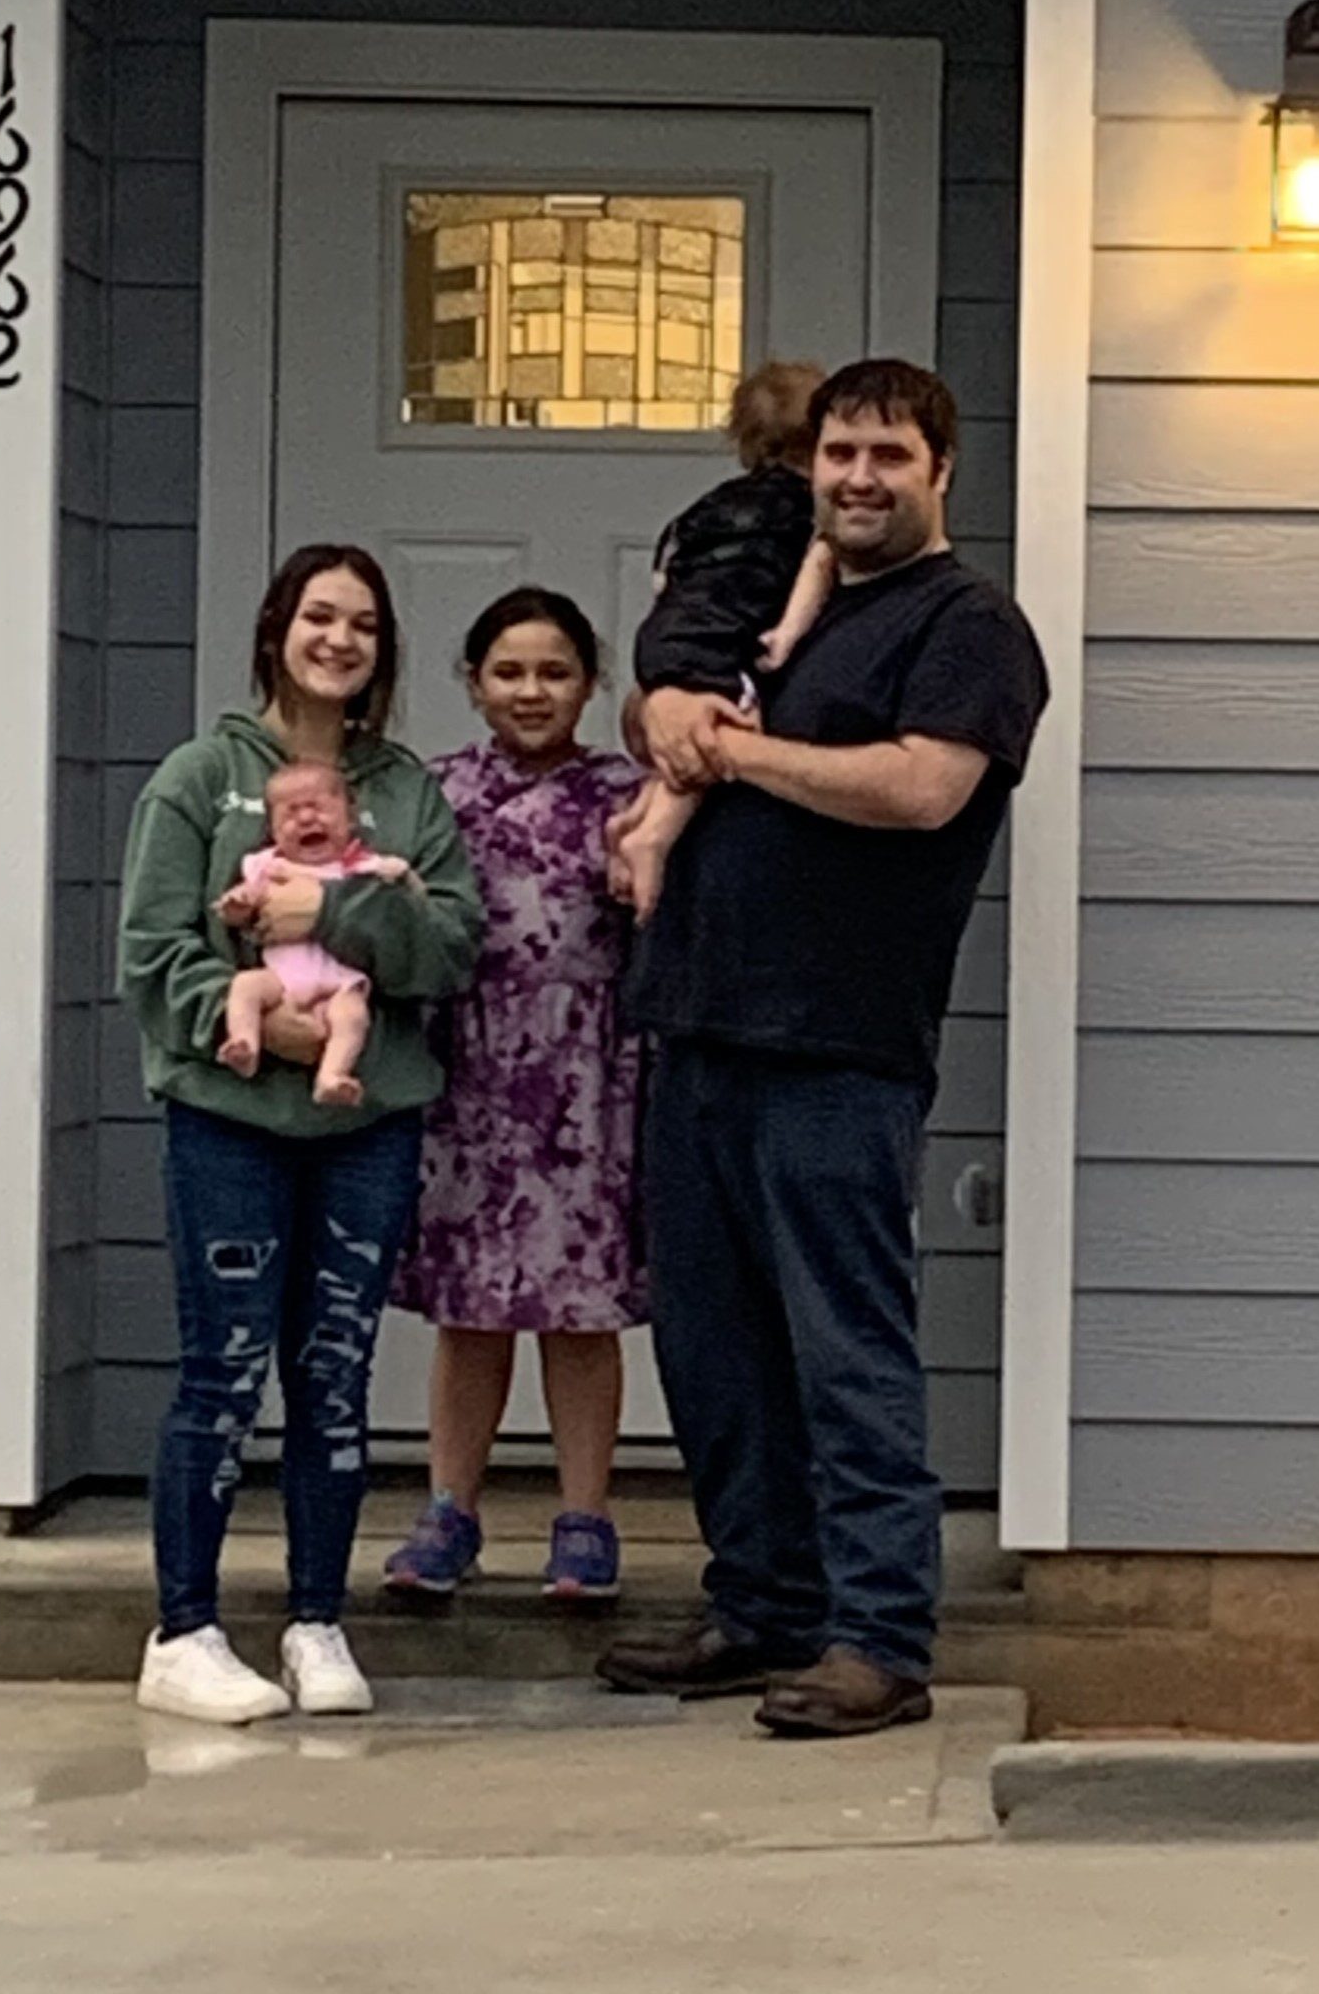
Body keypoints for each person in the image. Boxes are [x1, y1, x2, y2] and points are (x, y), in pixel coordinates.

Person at [599, 358, 1049, 1737]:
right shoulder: (776, 606)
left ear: (940, 472)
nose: (858, 478)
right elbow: (668, 711)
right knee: (715, 1351)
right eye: (840, 454)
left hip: (838, 1048)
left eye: (888, 456)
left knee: (845, 1349)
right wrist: (667, 717)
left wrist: (735, 757)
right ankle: (762, 1606)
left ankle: (879, 1638)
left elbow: (922, 788)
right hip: (697, 1029)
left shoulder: (968, 625)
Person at [118, 543, 483, 1726]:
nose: (340, 638)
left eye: (363, 623)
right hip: (227, 1122)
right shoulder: (197, 776)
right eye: (319, 614)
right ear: (278, 625)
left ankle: (318, 1620)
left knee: (331, 1374)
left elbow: (449, 949)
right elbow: (154, 954)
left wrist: (329, 908)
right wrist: (276, 1038)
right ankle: (184, 1630)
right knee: (221, 1368)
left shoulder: (406, 793)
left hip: (363, 1124)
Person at [383, 587, 647, 1601]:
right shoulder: (435, 792)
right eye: (507, 671)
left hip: (585, 1074)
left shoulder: (627, 794)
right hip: (470, 1073)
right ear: (472, 680)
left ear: (588, 681)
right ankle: (450, 1511)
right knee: (472, 1308)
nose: (530, 691)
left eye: (553, 671)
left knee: (579, 1311)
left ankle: (584, 1516)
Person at [609, 360, 835, 921]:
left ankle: (635, 819)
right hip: (720, 640)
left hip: (666, 635)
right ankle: (652, 836)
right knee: (719, 728)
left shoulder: (709, 508)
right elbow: (816, 571)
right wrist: (786, 632)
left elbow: (666, 569)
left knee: (681, 737)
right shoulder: (811, 514)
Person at [216, 760, 416, 1107]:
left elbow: (399, 889)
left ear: (351, 819)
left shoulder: (358, 866)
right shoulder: (269, 866)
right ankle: (244, 1042)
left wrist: (399, 876)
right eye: (291, 814)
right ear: (274, 832)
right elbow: (243, 906)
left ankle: (332, 1075)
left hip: (340, 980)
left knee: (353, 1016)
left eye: (320, 808)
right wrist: (237, 906)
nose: (307, 819)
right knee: (245, 987)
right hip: (281, 979)